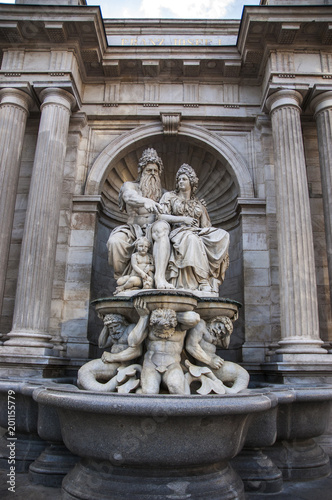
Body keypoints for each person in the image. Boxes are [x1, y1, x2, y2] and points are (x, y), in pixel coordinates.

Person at [107, 148, 173, 290]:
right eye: (149, 171)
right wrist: (145, 201)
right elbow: (128, 197)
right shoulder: (130, 186)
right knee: (115, 242)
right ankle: (123, 280)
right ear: (141, 171)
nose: (153, 174)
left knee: (162, 228)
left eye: (156, 171)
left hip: (155, 229)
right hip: (132, 230)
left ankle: (159, 277)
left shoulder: (164, 194)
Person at [157, 163, 230, 293]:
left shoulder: (198, 204)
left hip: (197, 232)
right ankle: (202, 281)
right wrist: (183, 219)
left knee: (223, 235)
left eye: (184, 179)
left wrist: (203, 231)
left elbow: (206, 225)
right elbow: (161, 216)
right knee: (192, 239)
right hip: (178, 232)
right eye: (179, 179)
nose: (180, 182)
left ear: (191, 182)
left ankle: (214, 279)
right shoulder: (169, 197)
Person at [102, 299, 200, 395]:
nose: (163, 331)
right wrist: (144, 317)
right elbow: (132, 342)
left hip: (172, 365)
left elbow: (194, 318)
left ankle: (185, 380)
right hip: (151, 365)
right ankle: (140, 388)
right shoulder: (149, 326)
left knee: (176, 389)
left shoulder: (180, 327)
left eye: (166, 328)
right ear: (154, 323)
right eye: (159, 328)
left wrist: (170, 316)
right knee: (150, 392)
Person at [77, 312, 148, 392]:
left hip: (121, 364)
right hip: (113, 363)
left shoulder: (130, 329)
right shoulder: (116, 335)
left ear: (123, 323)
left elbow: (137, 351)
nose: (114, 330)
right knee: (83, 376)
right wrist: (106, 326)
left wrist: (113, 357)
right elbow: (101, 344)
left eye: (116, 326)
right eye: (111, 328)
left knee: (85, 372)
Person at [185, 317, 250, 393]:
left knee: (241, 377)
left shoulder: (214, 335)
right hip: (208, 365)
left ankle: (229, 391)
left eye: (221, 332)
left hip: (213, 365)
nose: (218, 332)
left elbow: (226, 345)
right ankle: (231, 393)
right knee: (243, 375)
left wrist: (230, 323)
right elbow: (191, 345)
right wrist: (210, 361)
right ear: (215, 320)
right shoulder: (201, 324)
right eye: (219, 327)